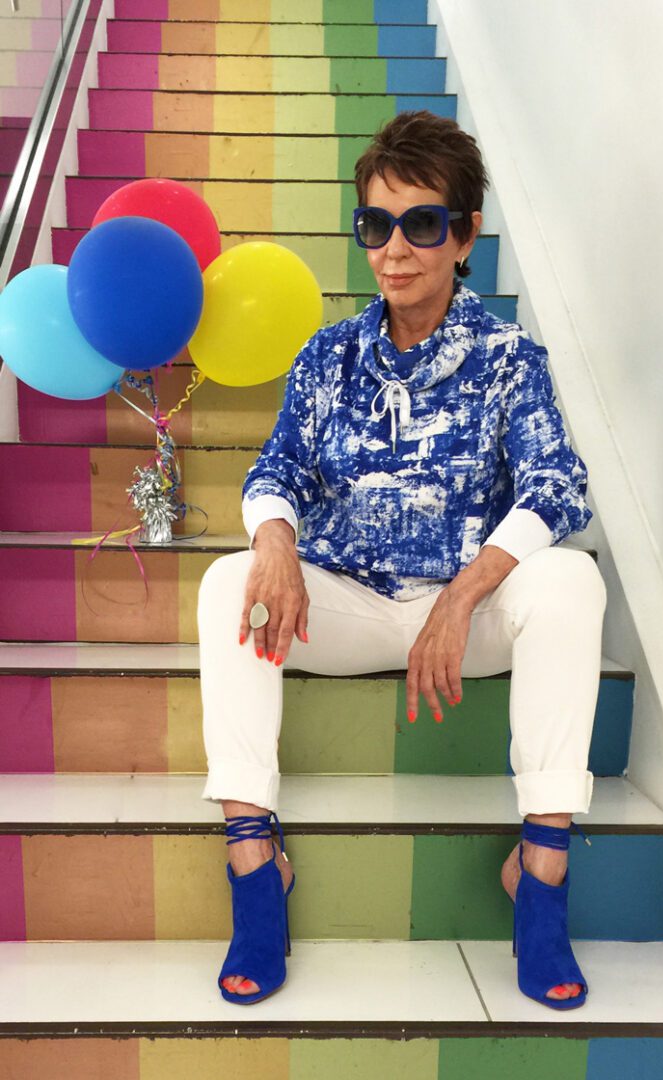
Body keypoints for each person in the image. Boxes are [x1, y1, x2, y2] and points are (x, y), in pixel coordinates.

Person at [197, 111, 607, 1011]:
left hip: (467, 619)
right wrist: (274, 539)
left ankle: (537, 873)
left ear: (463, 237)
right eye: (375, 225)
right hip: (345, 605)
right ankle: (254, 863)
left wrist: (464, 596)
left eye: (422, 224)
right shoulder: (328, 356)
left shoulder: (508, 359)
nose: (395, 248)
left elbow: (557, 486)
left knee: (573, 579)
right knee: (230, 578)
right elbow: (278, 469)